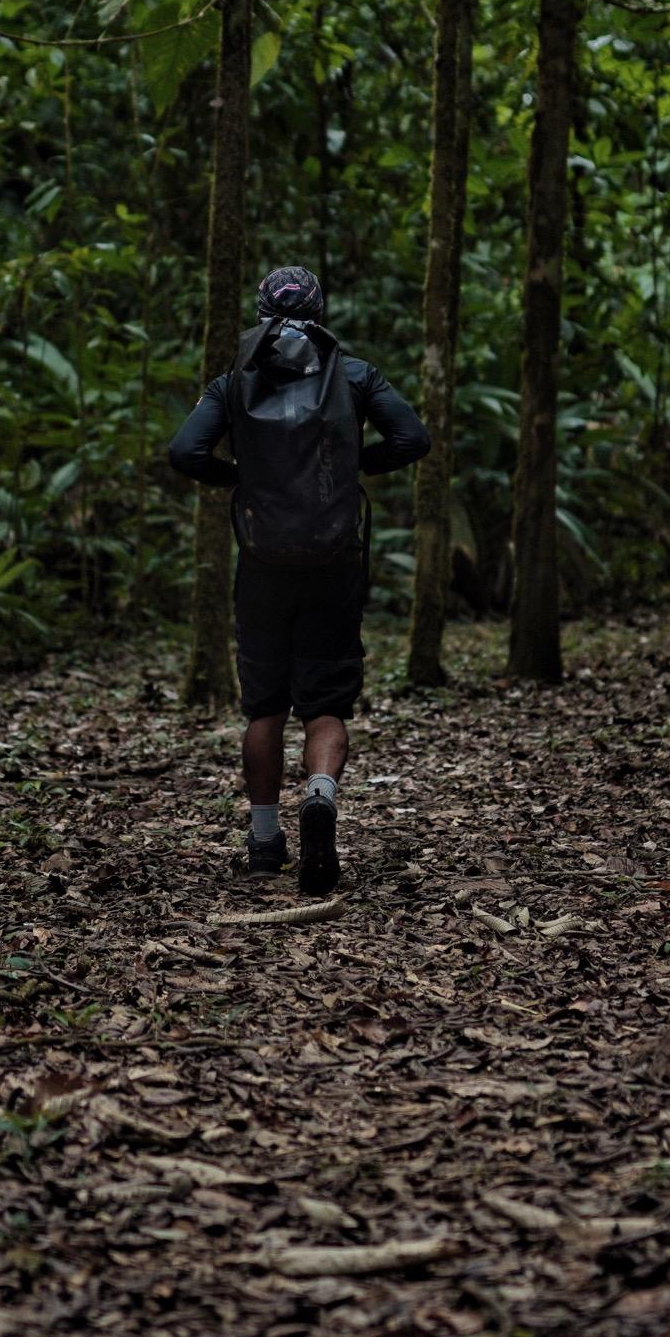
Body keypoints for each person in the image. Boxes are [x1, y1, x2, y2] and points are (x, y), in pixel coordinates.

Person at [169, 265, 430, 896]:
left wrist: (245, 478)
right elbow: (412, 438)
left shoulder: (232, 382)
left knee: (264, 705)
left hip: (262, 562)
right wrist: (352, 467)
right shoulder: (356, 374)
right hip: (333, 560)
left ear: (261, 314)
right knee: (326, 702)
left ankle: (264, 842)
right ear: (320, 312)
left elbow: (185, 452)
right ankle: (318, 796)